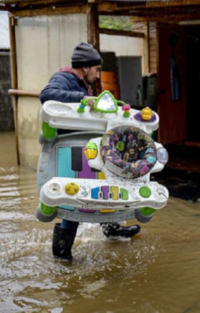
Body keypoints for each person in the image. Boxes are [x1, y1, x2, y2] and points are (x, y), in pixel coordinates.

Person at [40, 42, 141, 261]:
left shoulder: (82, 83)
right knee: (74, 197)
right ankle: (62, 254)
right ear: (85, 67)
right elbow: (46, 95)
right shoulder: (64, 78)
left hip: (88, 148)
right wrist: (83, 99)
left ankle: (111, 230)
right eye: (96, 70)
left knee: (104, 188)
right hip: (70, 151)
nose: (97, 75)